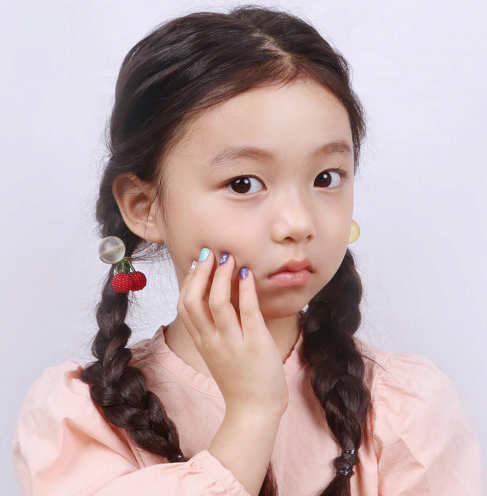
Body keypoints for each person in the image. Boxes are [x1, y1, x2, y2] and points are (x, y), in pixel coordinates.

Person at [11, 4, 482, 496]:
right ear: (144, 207)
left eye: (326, 178)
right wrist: (253, 415)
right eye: (243, 183)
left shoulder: (404, 407)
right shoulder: (78, 421)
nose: (298, 223)